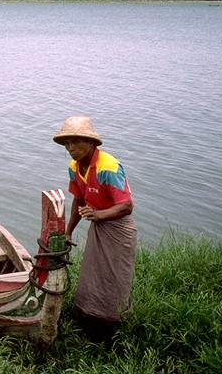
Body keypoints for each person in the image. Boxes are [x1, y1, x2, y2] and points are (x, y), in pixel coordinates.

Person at [53, 116, 136, 339]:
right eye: (67, 144)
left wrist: (98, 214)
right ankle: (89, 318)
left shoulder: (108, 166)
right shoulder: (74, 167)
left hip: (118, 228)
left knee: (114, 278)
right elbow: (78, 201)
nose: (71, 148)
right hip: (99, 226)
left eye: (76, 142)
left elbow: (126, 206)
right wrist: (68, 230)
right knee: (92, 275)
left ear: (91, 143)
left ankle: (113, 327)